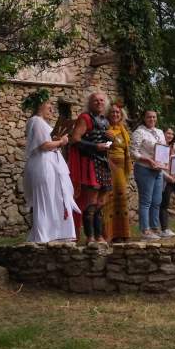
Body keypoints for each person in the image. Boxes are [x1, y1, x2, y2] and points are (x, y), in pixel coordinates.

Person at [21, 89, 81, 243]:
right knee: (45, 198)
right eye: (49, 105)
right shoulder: (36, 121)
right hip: (44, 164)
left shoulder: (42, 123)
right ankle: (43, 235)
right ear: (40, 105)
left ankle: (57, 232)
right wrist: (61, 142)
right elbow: (44, 145)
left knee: (54, 197)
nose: (52, 109)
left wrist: (58, 140)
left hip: (50, 162)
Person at [67, 92, 113, 243]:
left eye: (101, 100)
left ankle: (99, 236)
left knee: (101, 203)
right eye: (95, 100)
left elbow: (108, 142)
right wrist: (95, 146)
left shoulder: (105, 121)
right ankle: (90, 237)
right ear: (90, 103)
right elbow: (75, 139)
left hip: (103, 163)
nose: (99, 102)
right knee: (91, 202)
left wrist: (111, 141)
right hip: (91, 162)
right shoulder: (85, 118)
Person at [130, 110, 168, 240]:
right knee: (146, 201)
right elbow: (133, 152)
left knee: (157, 201)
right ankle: (145, 230)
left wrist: (164, 162)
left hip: (158, 169)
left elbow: (163, 149)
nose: (151, 119)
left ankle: (155, 228)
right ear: (144, 118)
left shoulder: (160, 132)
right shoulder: (139, 132)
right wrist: (148, 160)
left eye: (154, 117)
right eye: (149, 117)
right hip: (144, 169)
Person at [102, 103, 132, 243]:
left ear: (121, 115)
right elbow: (104, 148)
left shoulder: (123, 130)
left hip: (121, 170)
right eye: (112, 112)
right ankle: (110, 234)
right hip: (109, 168)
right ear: (108, 114)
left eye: (117, 113)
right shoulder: (106, 129)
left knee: (121, 199)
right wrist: (109, 140)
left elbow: (126, 150)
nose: (115, 114)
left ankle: (122, 233)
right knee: (108, 199)